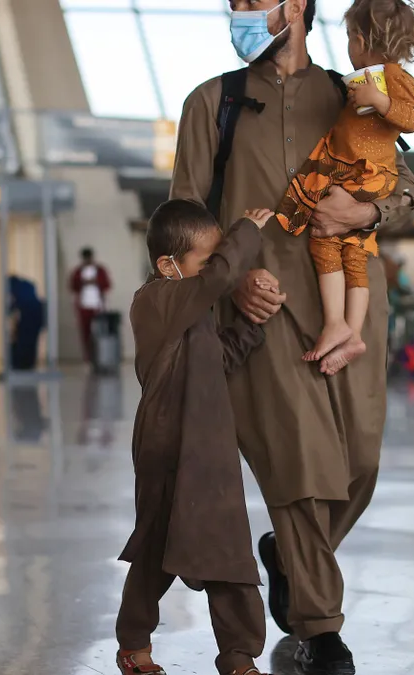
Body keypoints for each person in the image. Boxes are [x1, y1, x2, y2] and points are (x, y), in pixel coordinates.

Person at [170, 0, 414, 671]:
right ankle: (323, 625)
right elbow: (181, 221)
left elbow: (408, 190)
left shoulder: (351, 93)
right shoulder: (212, 104)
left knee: (359, 467)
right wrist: (231, 277)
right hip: (260, 312)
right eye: (235, 2)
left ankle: (287, 554)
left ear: (299, 6)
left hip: (352, 302)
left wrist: (366, 207)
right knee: (303, 470)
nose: (243, 10)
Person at [115, 201, 272, 675]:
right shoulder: (156, 300)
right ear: (168, 266)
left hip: (211, 451)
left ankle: (239, 656)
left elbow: (218, 358)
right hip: (167, 447)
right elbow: (219, 280)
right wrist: (246, 232)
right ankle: (134, 646)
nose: (216, 267)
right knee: (158, 551)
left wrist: (252, 325)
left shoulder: (193, 309)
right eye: (208, 258)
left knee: (228, 551)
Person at [275, 0, 414, 374]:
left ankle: (337, 324)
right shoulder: (361, 81)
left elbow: (411, 117)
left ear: (358, 40)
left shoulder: (391, 80)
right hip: (355, 174)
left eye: (348, 38)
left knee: (325, 241)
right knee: (353, 252)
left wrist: (378, 99)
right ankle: (349, 330)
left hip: (365, 176)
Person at [69, 247, 110, 362]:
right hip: (84, 306)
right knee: (85, 332)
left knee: (100, 331)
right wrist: (83, 282)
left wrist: (96, 282)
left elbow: (107, 284)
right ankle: (88, 357)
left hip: (98, 306)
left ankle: (100, 355)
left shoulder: (99, 270)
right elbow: (73, 286)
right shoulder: (78, 271)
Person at [8, 275, 45, 371]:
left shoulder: (15, 286)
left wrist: (9, 311)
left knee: (23, 341)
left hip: (29, 317)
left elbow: (15, 304)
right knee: (31, 342)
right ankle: (28, 363)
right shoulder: (27, 285)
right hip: (36, 315)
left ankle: (22, 363)